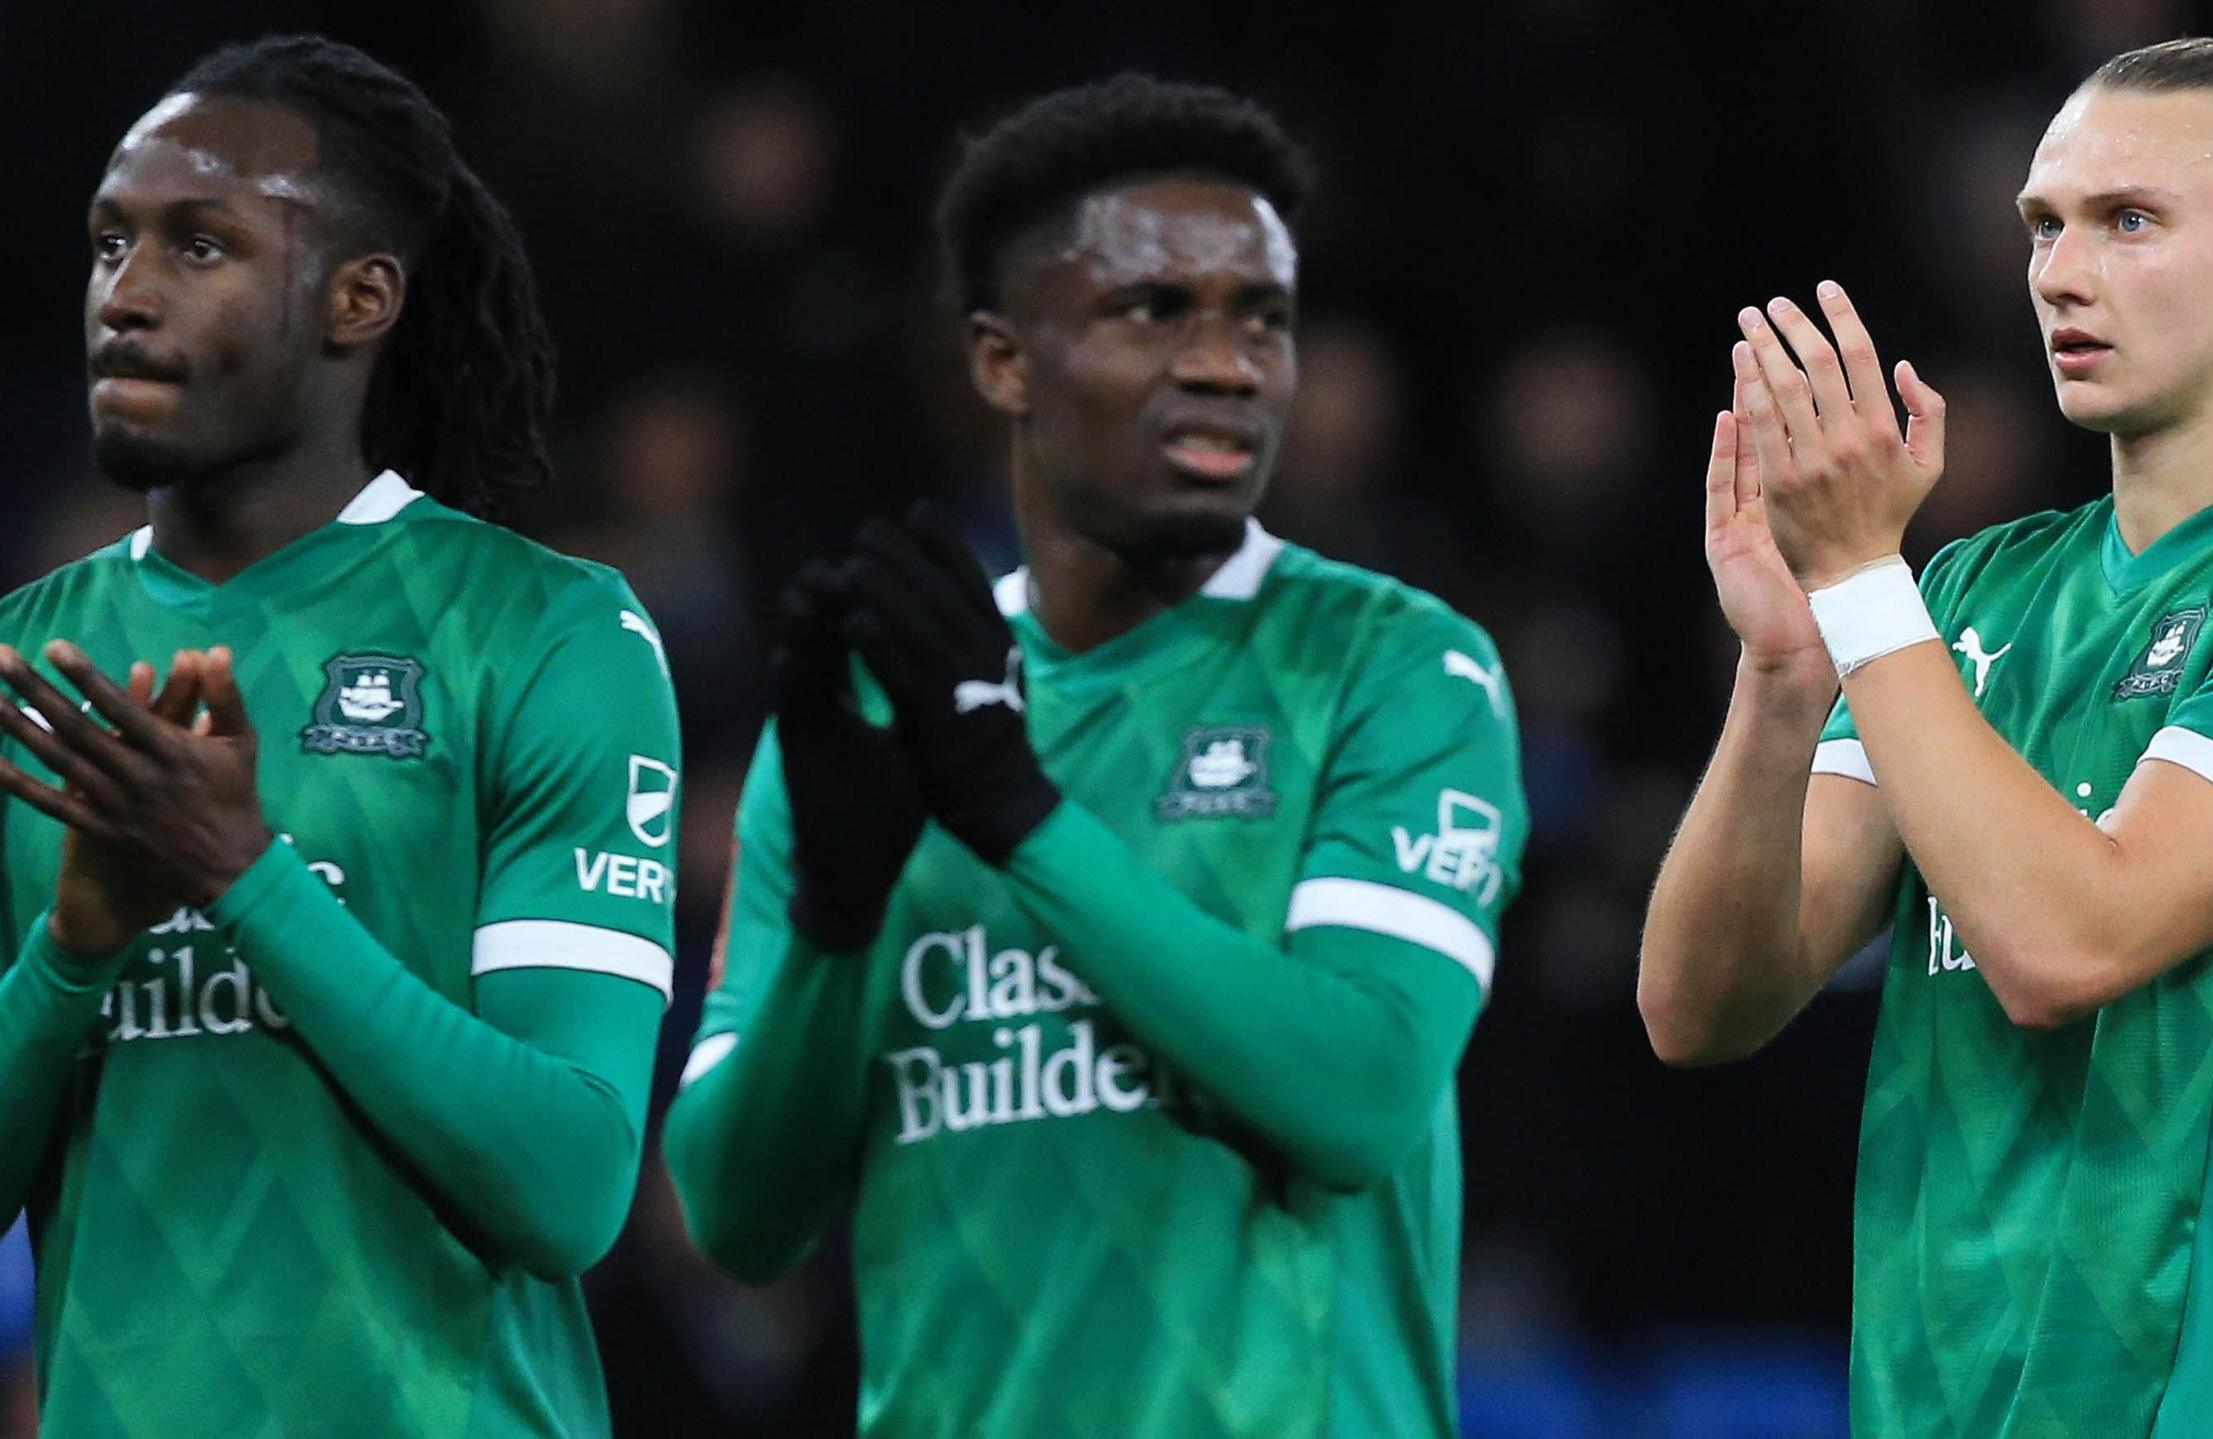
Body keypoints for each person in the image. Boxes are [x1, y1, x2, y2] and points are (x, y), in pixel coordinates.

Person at [1636, 36, 2213, 1438]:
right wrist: (1785, 676)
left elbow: (2067, 947)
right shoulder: (1967, 596)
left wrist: (1859, 581)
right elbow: (1703, 1006)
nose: (2060, 272)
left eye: (2130, 221)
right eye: (2045, 224)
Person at [663, 74, 1526, 1438]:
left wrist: (1015, 812)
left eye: (1265, 319)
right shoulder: (865, 717)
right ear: (1003, 360)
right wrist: (834, 925)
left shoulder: (1395, 665)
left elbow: (1358, 1095)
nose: (1226, 364)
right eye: (1153, 311)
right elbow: (739, 1218)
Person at [0, 36, 677, 1436]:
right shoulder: (24, 663)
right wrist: (73, 951)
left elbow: (571, 1183)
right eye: (109, 242)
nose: (123, 294)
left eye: (202, 246)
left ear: (357, 299)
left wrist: (244, 879)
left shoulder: (547, 634)